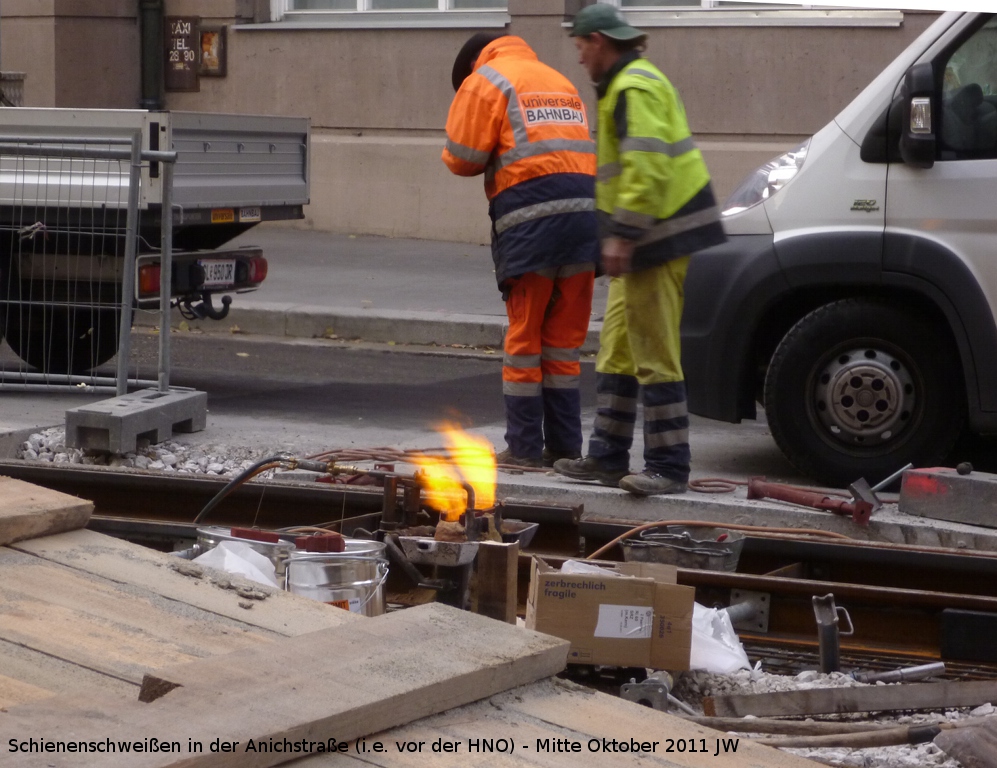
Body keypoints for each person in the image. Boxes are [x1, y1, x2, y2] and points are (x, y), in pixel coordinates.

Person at [554, 4, 727, 496]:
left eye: (580, 46)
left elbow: (647, 168)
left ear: (599, 41)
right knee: (619, 347)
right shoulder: (627, 85)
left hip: (657, 237)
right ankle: (607, 456)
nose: (580, 57)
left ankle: (668, 466)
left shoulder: (633, 87)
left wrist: (623, 234)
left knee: (654, 350)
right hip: (650, 235)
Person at [443, 32, 599, 468]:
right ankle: (565, 447)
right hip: (584, 222)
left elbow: (462, 158)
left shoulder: (486, 80)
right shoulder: (558, 80)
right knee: (563, 343)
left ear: (473, 64)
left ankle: (525, 448)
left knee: (525, 338)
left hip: (532, 223)